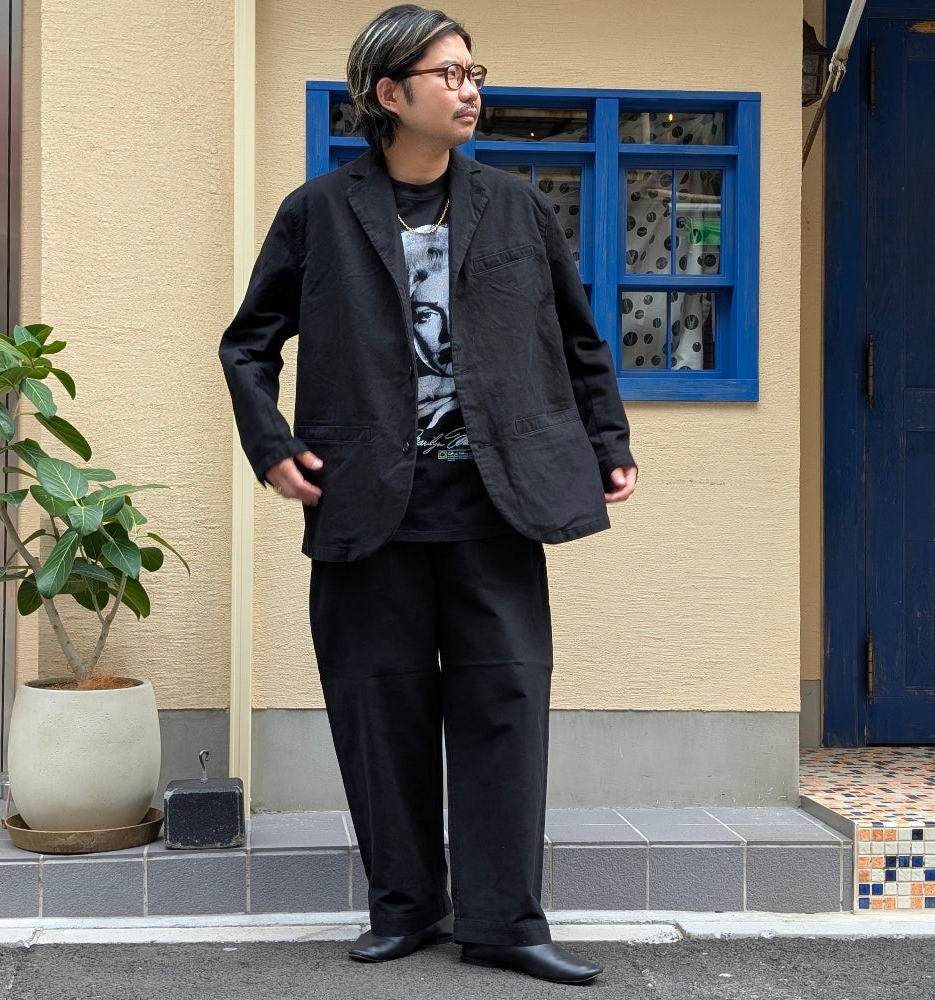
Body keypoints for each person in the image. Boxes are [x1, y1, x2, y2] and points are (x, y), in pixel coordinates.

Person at [219, 4, 636, 985]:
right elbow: (248, 344)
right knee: (380, 710)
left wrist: (607, 440)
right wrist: (271, 448)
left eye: (472, 71)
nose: (469, 88)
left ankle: (504, 922)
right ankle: (403, 906)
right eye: (448, 73)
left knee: (505, 706)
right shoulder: (317, 211)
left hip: (495, 503)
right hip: (369, 504)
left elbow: (577, 336)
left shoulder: (516, 206)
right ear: (388, 93)